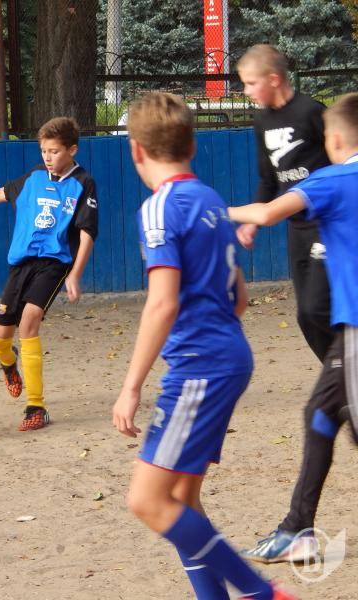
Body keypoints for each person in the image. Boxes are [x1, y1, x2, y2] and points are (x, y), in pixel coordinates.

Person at [112, 92, 294, 600]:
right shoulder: (211, 200)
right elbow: (240, 299)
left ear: (136, 150)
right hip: (230, 356)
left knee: (148, 501)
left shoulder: (158, 209)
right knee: (181, 499)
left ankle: (261, 593)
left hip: (199, 367)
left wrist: (131, 387)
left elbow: (162, 303)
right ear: (192, 146)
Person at [229, 93, 358, 565]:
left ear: (335, 139)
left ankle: (296, 530)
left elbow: (266, 213)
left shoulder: (333, 179)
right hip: (348, 336)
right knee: (320, 414)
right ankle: (297, 529)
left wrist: (213, 211)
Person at [0, 117, 97, 431]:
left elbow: (87, 232)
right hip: (21, 264)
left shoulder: (83, 182)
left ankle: (36, 407)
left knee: (29, 321)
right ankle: (9, 364)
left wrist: (75, 274)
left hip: (55, 263)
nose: (48, 157)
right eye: (44, 150)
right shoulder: (35, 176)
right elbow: (8, 191)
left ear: (72, 150)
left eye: (54, 151)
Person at [237, 45, 333, 362]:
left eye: (251, 83)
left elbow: (342, 156)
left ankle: (345, 372)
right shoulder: (261, 121)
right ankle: (339, 374)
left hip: (326, 224)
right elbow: (269, 180)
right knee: (306, 317)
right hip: (297, 227)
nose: (246, 90)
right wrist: (251, 222)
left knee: (317, 308)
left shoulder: (311, 111)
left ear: (274, 79)